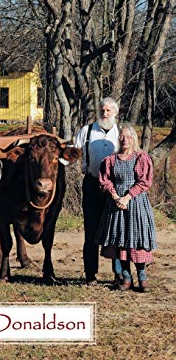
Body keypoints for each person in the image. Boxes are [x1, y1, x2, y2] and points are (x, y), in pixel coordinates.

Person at [97, 123, 157, 292]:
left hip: (136, 203)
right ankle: (126, 276)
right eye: (122, 136)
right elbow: (105, 180)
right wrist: (116, 197)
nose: (125, 140)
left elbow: (145, 181)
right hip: (116, 205)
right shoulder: (110, 160)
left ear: (134, 139)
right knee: (120, 240)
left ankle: (142, 276)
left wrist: (128, 197)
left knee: (136, 240)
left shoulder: (141, 158)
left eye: (128, 137)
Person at [75, 97, 122, 285]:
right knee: (91, 230)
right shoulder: (86, 132)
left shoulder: (121, 135)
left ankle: (119, 274)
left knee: (117, 231)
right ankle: (90, 274)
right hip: (92, 184)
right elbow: (71, 154)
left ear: (115, 113)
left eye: (109, 110)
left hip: (116, 188)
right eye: (102, 110)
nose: (105, 113)